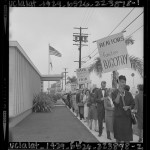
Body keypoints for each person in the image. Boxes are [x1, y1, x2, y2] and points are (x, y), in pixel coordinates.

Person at [112, 75, 135, 142]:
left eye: (124, 82)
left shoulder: (129, 94)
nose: (123, 83)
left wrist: (128, 107)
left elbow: (133, 104)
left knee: (127, 138)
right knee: (118, 138)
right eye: (122, 82)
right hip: (118, 119)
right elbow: (116, 103)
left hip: (127, 119)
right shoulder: (114, 93)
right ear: (118, 83)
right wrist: (119, 93)